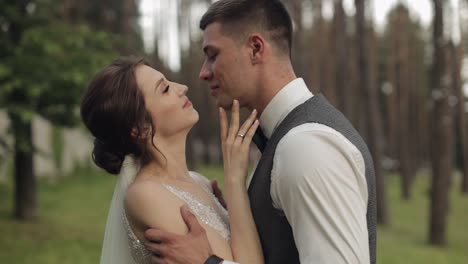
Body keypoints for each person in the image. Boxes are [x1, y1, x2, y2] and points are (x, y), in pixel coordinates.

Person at [144, 0, 376, 264]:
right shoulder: (284, 139)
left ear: (255, 48)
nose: (203, 73)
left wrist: (208, 263)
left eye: (213, 55)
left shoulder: (306, 146)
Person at [80, 57, 265, 264]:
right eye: (165, 89)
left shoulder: (200, 182)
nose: (182, 87)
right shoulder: (145, 195)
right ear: (140, 127)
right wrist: (234, 181)